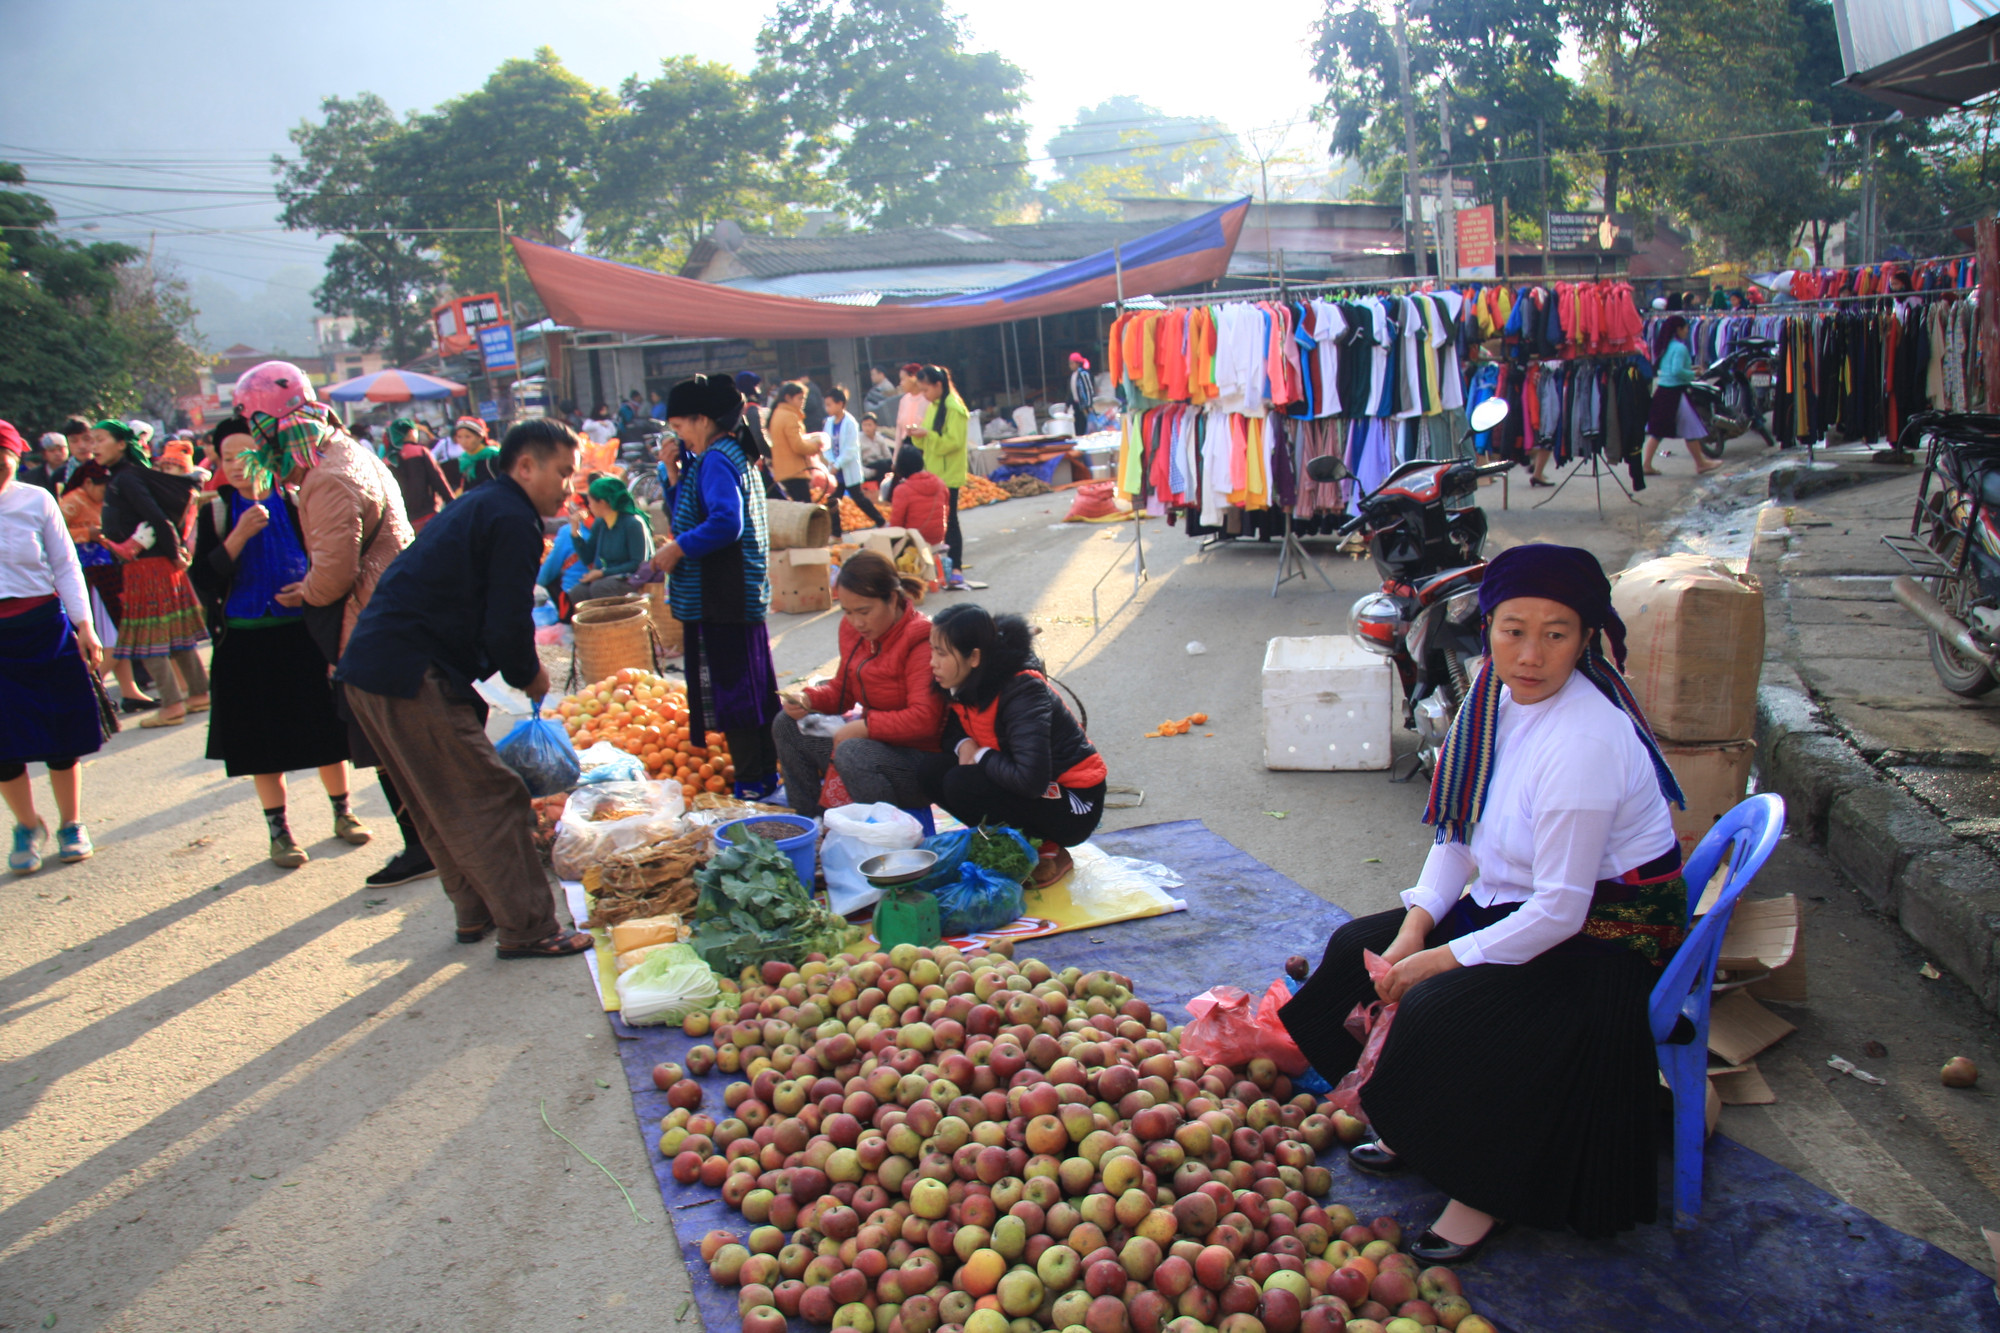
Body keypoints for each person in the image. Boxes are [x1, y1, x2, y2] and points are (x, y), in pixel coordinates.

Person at [1280, 543, 1690, 1258]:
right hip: (1524, 899)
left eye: (1556, 633)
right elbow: (1459, 832)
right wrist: (1414, 931)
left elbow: (1563, 910)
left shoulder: (1585, 739)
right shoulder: (1491, 699)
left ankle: (1483, 1192)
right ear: (1488, 627)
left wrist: (1440, 962)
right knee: (1355, 953)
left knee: (1447, 1012)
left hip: (1606, 933)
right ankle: (1415, 1125)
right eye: (1512, 629)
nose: (1530, 653)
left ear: (1586, 637)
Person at [337, 419, 591, 958]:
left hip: (373, 665)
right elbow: (505, 625)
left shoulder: (485, 503)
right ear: (526, 465)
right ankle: (530, 928)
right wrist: (530, 674)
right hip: (408, 671)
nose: (568, 485)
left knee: (436, 801)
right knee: (492, 794)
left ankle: (475, 912)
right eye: (563, 472)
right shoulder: (512, 516)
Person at [234, 362, 428, 890]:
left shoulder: (325, 477)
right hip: (392, 614)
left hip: (370, 625)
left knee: (391, 746)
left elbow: (336, 571)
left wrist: (308, 591)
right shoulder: (348, 452)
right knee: (401, 743)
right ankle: (426, 842)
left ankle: (422, 844)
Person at [190, 418, 369, 868]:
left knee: (326, 730)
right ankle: (280, 832)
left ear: (267, 456)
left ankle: (343, 813)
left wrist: (308, 588)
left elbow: (328, 559)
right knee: (261, 744)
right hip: (244, 641)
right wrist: (238, 536)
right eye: (224, 457)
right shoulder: (214, 510)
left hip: (301, 635)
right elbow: (203, 579)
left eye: (243, 455)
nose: (233, 465)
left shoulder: (297, 500)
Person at [656, 373, 782, 800]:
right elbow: (695, 510)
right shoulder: (730, 453)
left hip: (722, 594)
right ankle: (767, 777)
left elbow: (727, 522)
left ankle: (750, 783)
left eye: (680, 427)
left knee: (736, 689)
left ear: (703, 419)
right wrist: (674, 473)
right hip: (738, 592)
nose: (679, 437)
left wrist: (678, 550)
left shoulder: (714, 460)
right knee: (755, 685)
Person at [920, 604, 1105, 886]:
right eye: (932, 650)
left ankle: (1046, 849)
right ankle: (1006, 843)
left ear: (974, 657)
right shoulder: (961, 682)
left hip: (1075, 801)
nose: (932, 662)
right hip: (1025, 783)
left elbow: (1030, 779)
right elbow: (950, 732)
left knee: (962, 782)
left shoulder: (1022, 691)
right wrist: (964, 744)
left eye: (942, 653)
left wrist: (980, 753)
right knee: (930, 769)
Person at [0, 419, 104, 872]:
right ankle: (26, 824)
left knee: (62, 733)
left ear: (16, 456)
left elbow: (65, 565)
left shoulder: (35, 499)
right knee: (4, 744)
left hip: (44, 625)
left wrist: (86, 625)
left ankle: (71, 823)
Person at [773, 551, 941, 816]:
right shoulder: (852, 630)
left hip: (918, 762)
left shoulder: (921, 640)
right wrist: (809, 699)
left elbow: (925, 719)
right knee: (787, 724)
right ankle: (810, 824)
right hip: (871, 742)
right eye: (848, 612)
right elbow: (843, 691)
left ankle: (885, 836)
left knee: (854, 752)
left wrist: (866, 727)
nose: (856, 622)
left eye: (864, 611)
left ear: (893, 599)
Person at [92, 418, 209, 729]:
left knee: (146, 638)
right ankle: (198, 694)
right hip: (158, 564)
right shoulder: (126, 476)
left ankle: (171, 705)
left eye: (100, 439)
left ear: (121, 444)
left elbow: (158, 518)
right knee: (175, 633)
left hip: (147, 568)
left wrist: (175, 555)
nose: (94, 447)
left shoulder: (126, 479)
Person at [908, 365, 970, 575]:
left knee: (950, 521)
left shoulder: (955, 408)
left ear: (938, 385)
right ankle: (943, 567)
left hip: (949, 474)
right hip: (934, 472)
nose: (924, 395)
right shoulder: (934, 406)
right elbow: (925, 444)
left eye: (926, 390)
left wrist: (928, 435)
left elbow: (954, 442)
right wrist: (917, 434)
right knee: (938, 522)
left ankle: (956, 568)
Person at [1642, 316, 1718, 478]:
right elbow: (1677, 371)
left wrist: (1690, 369)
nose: (1687, 331)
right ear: (1679, 329)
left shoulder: (1665, 346)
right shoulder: (1680, 348)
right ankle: (1701, 463)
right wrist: (1694, 373)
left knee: (1658, 431)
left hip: (1663, 391)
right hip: (1675, 393)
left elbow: (1670, 368)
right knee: (1690, 427)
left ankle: (1647, 464)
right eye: (1685, 328)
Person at [568, 475, 655, 604]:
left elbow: (637, 563)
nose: (589, 506)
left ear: (602, 502)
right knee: (578, 592)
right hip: (609, 577)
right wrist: (575, 531)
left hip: (634, 579)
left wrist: (602, 573)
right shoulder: (600, 523)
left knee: (600, 588)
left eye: (591, 502)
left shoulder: (633, 524)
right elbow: (587, 558)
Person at [822, 387, 881, 536]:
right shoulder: (829, 423)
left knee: (858, 498)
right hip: (837, 470)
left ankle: (880, 521)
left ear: (840, 403)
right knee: (834, 500)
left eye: (830, 404)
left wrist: (838, 464)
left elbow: (851, 449)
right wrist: (831, 462)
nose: (827, 408)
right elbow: (826, 445)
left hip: (847, 468)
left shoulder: (850, 423)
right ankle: (836, 532)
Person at [387, 418, 455, 531]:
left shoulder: (387, 459)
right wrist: (452, 503)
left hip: (405, 520)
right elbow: (437, 479)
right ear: (410, 433)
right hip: (429, 513)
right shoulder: (420, 451)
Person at [767, 381, 819, 503]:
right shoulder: (790, 416)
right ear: (788, 398)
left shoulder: (777, 414)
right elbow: (797, 446)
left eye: (803, 399)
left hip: (783, 471)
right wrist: (815, 447)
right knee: (805, 511)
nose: (802, 402)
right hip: (795, 471)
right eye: (800, 398)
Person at [889, 445, 948, 547]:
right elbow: (946, 510)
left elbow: (896, 524)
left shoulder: (902, 490)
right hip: (938, 536)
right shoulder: (940, 483)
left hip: (915, 540)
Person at [455, 419, 503, 490]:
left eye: (468, 437)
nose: (463, 442)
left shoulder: (493, 456)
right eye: (459, 437)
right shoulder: (465, 460)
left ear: (480, 437)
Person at [859, 413, 896, 482]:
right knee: (882, 466)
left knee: (890, 464)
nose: (867, 428)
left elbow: (888, 456)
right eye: (864, 425)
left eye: (869, 425)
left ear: (875, 426)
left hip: (881, 463)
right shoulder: (858, 439)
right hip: (868, 465)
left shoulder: (879, 438)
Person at [1068, 352, 1096, 430]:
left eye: (1072, 363)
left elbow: (1088, 389)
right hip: (1076, 405)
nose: (1070, 366)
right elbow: (1072, 391)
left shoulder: (1083, 374)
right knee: (1078, 426)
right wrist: (1068, 404)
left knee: (1086, 426)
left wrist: (1089, 405)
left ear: (1077, 364)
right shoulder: (1073, 375)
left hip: (1084, 405)